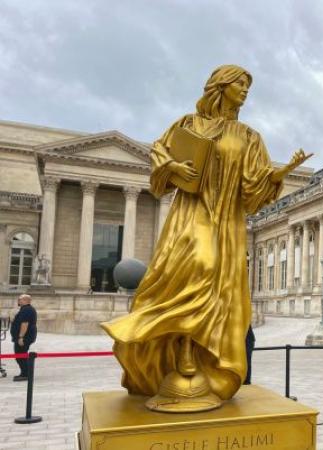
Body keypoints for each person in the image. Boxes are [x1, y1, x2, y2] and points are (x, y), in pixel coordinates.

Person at [102, 65, 311, 410]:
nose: (245, 90)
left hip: (227, 221)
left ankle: (191, 359)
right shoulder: (187, 125)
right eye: (240, 84)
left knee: (217, 286)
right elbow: (160, 159)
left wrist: (283, 172)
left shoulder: (249, 136)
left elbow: (253, 186)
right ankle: (173, 348)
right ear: (220, 86)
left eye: (248, 86)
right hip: (191, 214)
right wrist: (173, 168)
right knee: (198, 267)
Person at [11, 294, 37, 381]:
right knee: (20, 355)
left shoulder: (27, 310)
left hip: (24, 337)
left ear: (26, 300)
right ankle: (25, 373)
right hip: (24, 337)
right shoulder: (25, 309)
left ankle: (26, 374)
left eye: (20, 299)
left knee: (20, 355)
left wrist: (21, 337)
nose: (18, 301)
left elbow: (25, 324)